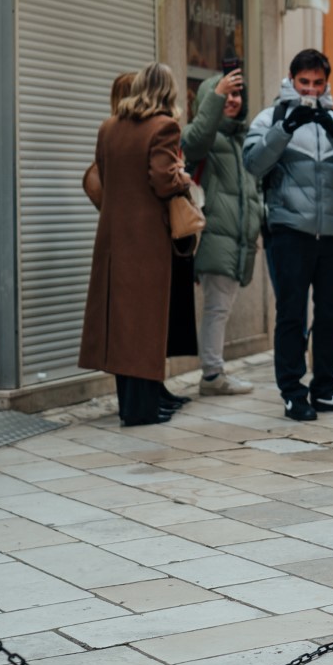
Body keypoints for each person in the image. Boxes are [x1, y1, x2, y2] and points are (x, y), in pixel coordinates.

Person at [245, 48, 333, 421]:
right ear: (291, 80)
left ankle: (324, 388)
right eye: (304, 83)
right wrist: (286, 128)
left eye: (318, 84)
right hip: (290, 232)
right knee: (291, 315)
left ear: (326, 84)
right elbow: (253, 163)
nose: (311, 90)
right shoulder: (271, 116)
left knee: (330, 314)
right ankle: (292, 391)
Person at [80, 63, 197, 426]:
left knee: (122, 327)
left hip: (113, 239)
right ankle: (143, 410)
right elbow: (162, 181)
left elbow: (104, 175)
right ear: (168, 91)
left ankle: (133, 406)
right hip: (147, 240)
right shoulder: (164, 126)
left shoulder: (108, 127)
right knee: (146, 326)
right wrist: (181, 181)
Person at [181, 64, 260, 397]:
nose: (233, 99)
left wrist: (261, 216)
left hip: (238, 238)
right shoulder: (206, 136)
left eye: (237, 93)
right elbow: (193, 142)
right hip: (214, 236)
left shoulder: (243, 137)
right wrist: (213, 98)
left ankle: (214, 371)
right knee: (217, 307)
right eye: (226, 93)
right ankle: (212, 374)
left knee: (221, 307)